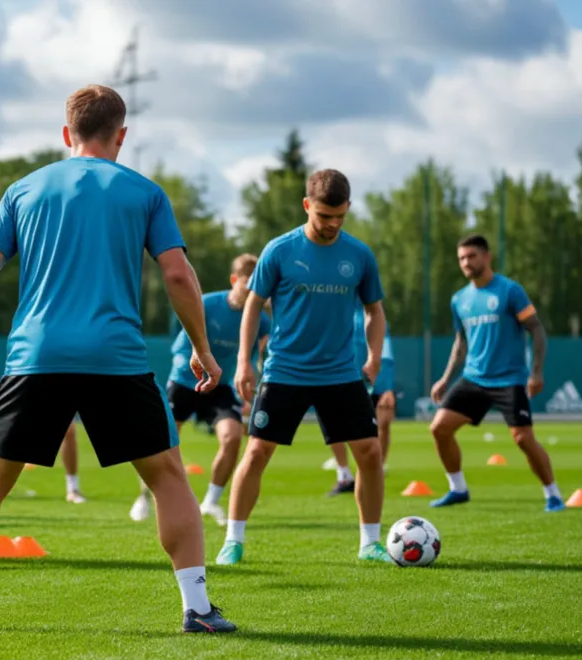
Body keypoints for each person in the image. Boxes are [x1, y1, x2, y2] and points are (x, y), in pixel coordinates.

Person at [0, 85, 236, 633]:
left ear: (67, 134)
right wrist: (202, 349)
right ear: (122, 135)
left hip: (36, 355)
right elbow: (179, 275)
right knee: (167, 476)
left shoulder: (23, 189)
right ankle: (197, 609)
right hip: (116, 357)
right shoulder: (144, 192)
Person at [223, 169, 393, 566]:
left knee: (369, 451)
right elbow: (252, 304)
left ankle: (370, 543)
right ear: (307, 206)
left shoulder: (359, 255)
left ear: (348, 208)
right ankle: (233, 540)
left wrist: (374, 356)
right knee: (257, 452)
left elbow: (375, 311)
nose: (332, 224)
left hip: (341, 372)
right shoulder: (279, 250)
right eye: (323, 216)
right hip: (285, 371)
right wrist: (244, 362)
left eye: (339, 216)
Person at [129, 253, 270, 526]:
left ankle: (210, 502)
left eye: (257, 285)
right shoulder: (206, 305)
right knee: (161, 442)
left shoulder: (261, 320)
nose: (252, 290)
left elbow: (254, 359)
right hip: (185, 380)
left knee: (231, 438)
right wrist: (197, 369)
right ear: (234, 280)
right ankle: (145, 497)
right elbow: (182, 347)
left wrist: (248, 392)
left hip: (222, 386)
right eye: (247, 283)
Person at [427, 234, 564, 512]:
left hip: (509, 379)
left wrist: (536, 372)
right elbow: (461, 342)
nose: (466, 262)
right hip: (474, 378)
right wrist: (445, 378)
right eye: (462, 258)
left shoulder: (509, 290)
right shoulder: (459, 300)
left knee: (523, 439)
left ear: (486, 257)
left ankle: (553, 494)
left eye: (472, 256)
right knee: (439, 428)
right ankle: (458, 488)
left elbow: (536, 329)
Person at [326, 305, 395, 496]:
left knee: (384, 423)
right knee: (334, 425)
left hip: (373, 380)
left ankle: (375, 473)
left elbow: (385, 352)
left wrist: (387, 387)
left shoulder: (374, 313)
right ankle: (344, 475)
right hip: (341, 379)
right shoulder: (335, 311)